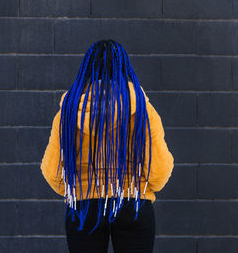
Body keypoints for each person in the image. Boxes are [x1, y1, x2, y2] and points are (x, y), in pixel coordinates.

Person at [41, 39, 174, 253]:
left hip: (84, 207)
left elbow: (53, 173)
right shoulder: (141, 108)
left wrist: (80, 189)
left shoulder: (68, 112)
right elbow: (159, 172)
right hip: (133, 202)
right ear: (124, 67)